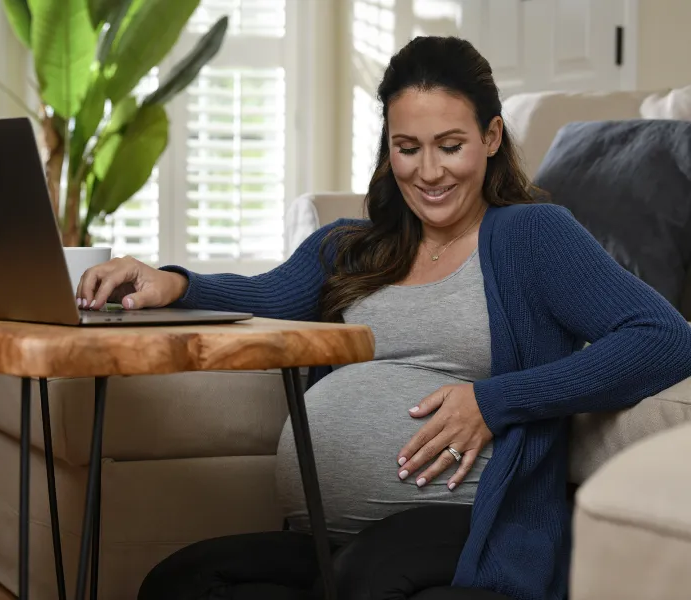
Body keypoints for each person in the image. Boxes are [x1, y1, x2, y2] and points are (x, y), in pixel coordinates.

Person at [76, 36, 691, 600]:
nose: (429, 172)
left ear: (491, 137)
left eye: (450, 146)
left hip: (476, 523)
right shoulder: (351, 246)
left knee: (368, 579)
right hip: (329, 536)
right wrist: (175, 282)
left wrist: (493, 401)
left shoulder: (532, 234)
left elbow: (664, 339)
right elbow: (263, 296)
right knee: (181, 581)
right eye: (407, 148)